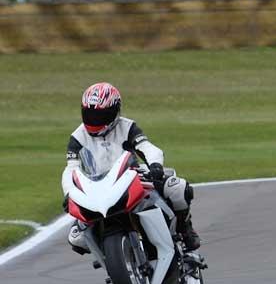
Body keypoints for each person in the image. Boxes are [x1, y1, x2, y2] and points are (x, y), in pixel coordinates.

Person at [61, 82, 201, 254]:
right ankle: (111, 257)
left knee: (177, 188)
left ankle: (185, 229)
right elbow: (71, 169)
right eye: (90, 114)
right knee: (76, 237)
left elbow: (147, 147)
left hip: (131, 175)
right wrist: (69, 193)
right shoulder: (78, 137)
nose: (94, 120)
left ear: (114, 112)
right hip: (97, 185)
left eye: (101, 115)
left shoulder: (127, 127)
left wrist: (155, 165)